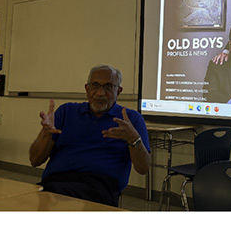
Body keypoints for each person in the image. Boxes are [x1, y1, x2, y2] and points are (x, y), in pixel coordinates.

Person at [30, 65, 150, 206]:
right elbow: (34, 160)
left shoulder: (131, 119)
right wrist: (45, 134)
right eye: (95, 85)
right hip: (55, 184)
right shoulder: (67, 111)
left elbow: (143, 168)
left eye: (108, 87)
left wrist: (134, 139)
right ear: (87, 89)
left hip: (99, 188)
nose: (100, 93)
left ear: (118, 91)